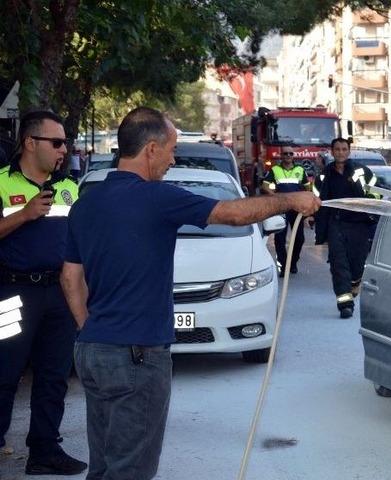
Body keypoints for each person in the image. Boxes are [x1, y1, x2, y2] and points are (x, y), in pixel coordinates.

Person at [59, 107, 320, 480]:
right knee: (129, 471)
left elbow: (70, 277)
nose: (173, 158)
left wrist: (91, 330)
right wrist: (291, 201)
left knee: (103, 464)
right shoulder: (157, 197)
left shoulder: (86, 204)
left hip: (93, 351)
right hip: (137, 356)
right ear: (151, 149)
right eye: (171, 149)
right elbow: (231, 214)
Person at [0, 110, 87, 475]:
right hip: (12, 293)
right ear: (30, 143)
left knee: (54, 376)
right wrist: (23, 214)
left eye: (65, 142)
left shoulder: (69, 186)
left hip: (59, 294)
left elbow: (81, 245)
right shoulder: (2, 182)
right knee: (4, 374)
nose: (63, 149)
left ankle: (44, 450)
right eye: (56, 142)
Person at [314, 138, 379, 319]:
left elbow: (376, 193)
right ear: (332, 152)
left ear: (349, 151)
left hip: (359, 224)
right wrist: (314, 218)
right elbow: (317, 199)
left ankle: (355, 283)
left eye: (344, 149)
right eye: (337, 149)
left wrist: (360, 190)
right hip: (336, 224)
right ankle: (345, 304)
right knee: (338, 263)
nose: (340, 152)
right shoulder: (324, 175)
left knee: (357, 264)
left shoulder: (361, 171)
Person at [261, 146, 311, 276]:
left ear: (293, 155)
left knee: (299, 239)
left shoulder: (300, 170)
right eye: (285, 154)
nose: (288, 155)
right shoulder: (275, 170)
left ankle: (292, 263)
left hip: (296, 208)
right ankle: (284, 266)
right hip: (281, 208)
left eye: (290, 153)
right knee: (280, 239)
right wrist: (276, 196)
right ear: (281, 156)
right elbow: (265, 186)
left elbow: (308, 189)